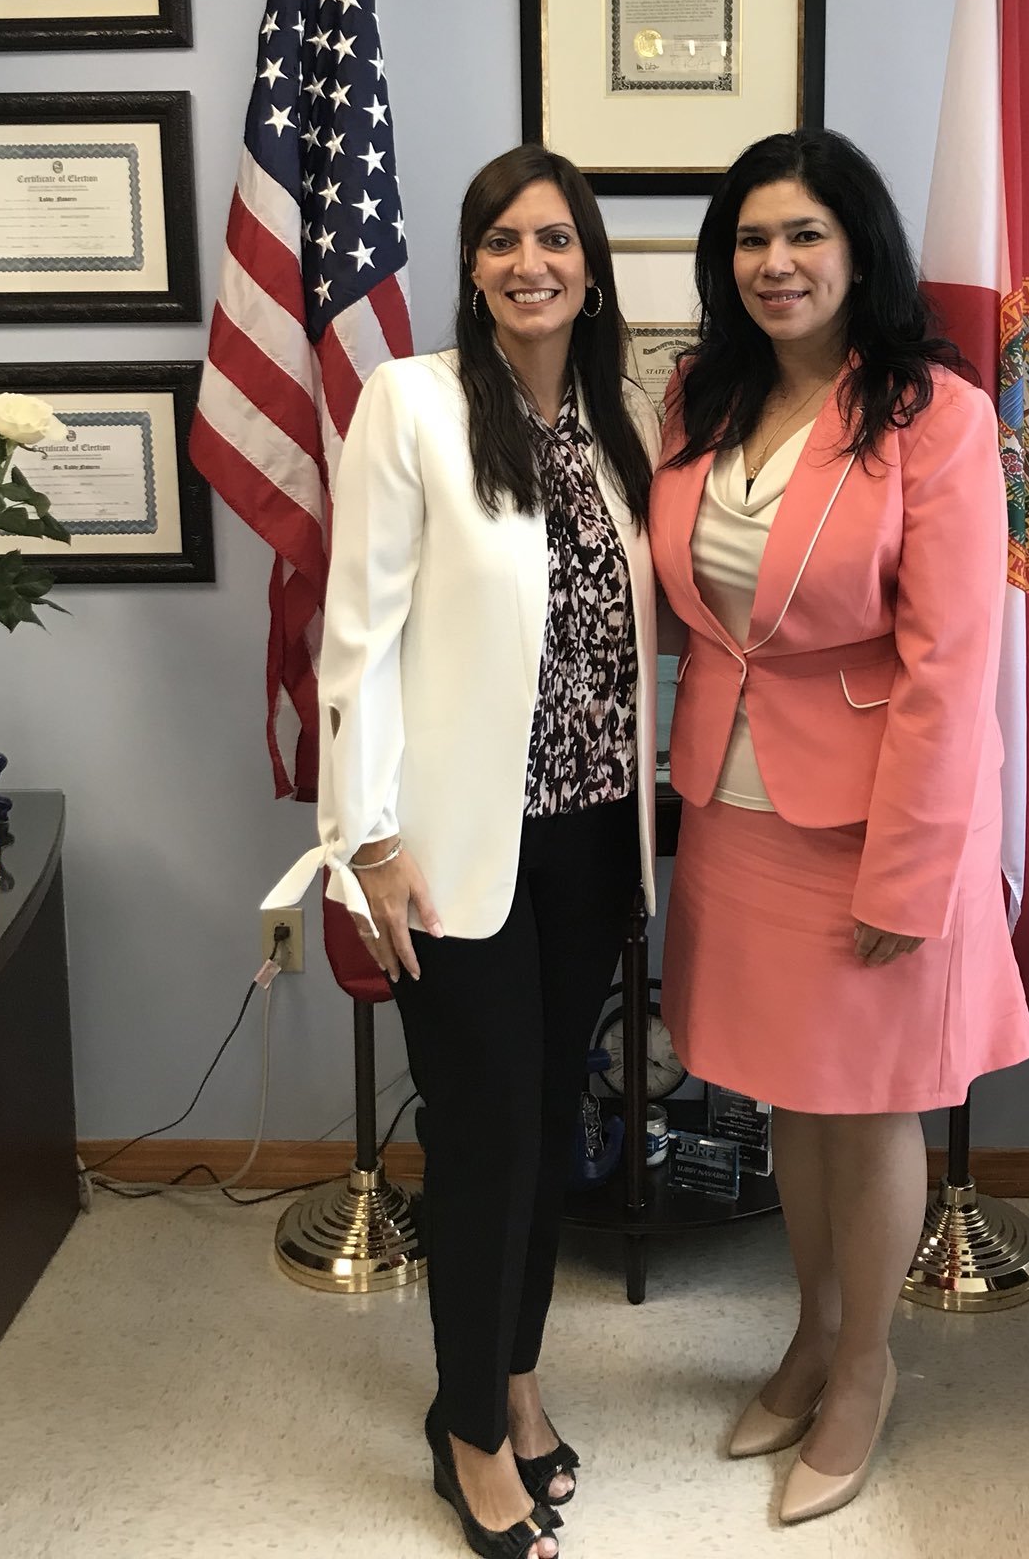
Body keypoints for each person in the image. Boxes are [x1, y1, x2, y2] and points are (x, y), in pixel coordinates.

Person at [649, 129, 1029, 1526]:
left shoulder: (936, 413)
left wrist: (910, 872)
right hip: (736, 802)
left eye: (805, 233)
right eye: (753, 238)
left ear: (859, 248)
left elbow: (952, 666)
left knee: (867, 1107)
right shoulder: (701, 391)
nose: (777, 262)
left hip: (878, 817)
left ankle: (865, 1368)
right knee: (788, 1092)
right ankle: (811, 1335)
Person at [298, 144, 660, 1559]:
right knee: (483, 1134)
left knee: (550, 1122)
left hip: (592, 840)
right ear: (471, 265)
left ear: (590, 266)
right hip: (452, 847)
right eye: (503, 239)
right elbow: (357, 638)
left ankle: (512, 1378)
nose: (530, 262)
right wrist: (369, 838)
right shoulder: (413, 402)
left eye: (555, 239)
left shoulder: (615, 424)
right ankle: (464, 1430)